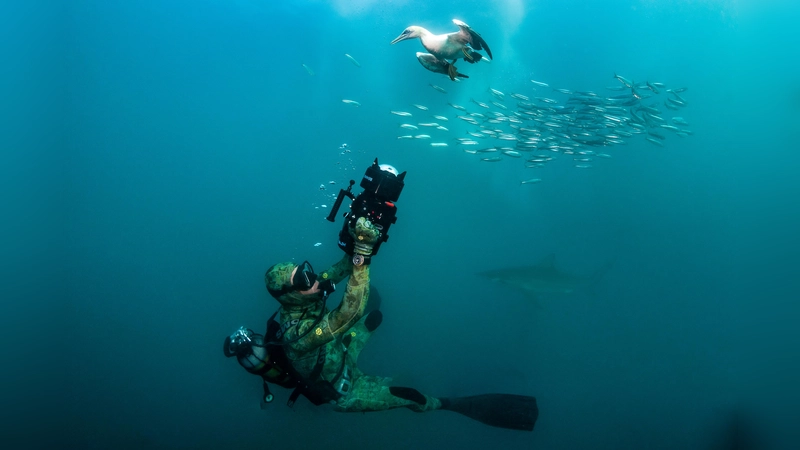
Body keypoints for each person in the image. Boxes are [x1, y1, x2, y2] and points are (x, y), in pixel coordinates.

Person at [224, 215, 538, 431]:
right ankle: (443, 404)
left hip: (340, 352)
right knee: (410, 395)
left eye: (305, 269)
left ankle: (372, 353)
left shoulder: (305, 292)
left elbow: (341, 268)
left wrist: (358, 238)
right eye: (303, 278)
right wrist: (362, 254)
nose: (312, 276)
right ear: (289, 294)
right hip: (344, 389)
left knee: (375, 317)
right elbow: (347, 314)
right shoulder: (295, 336)